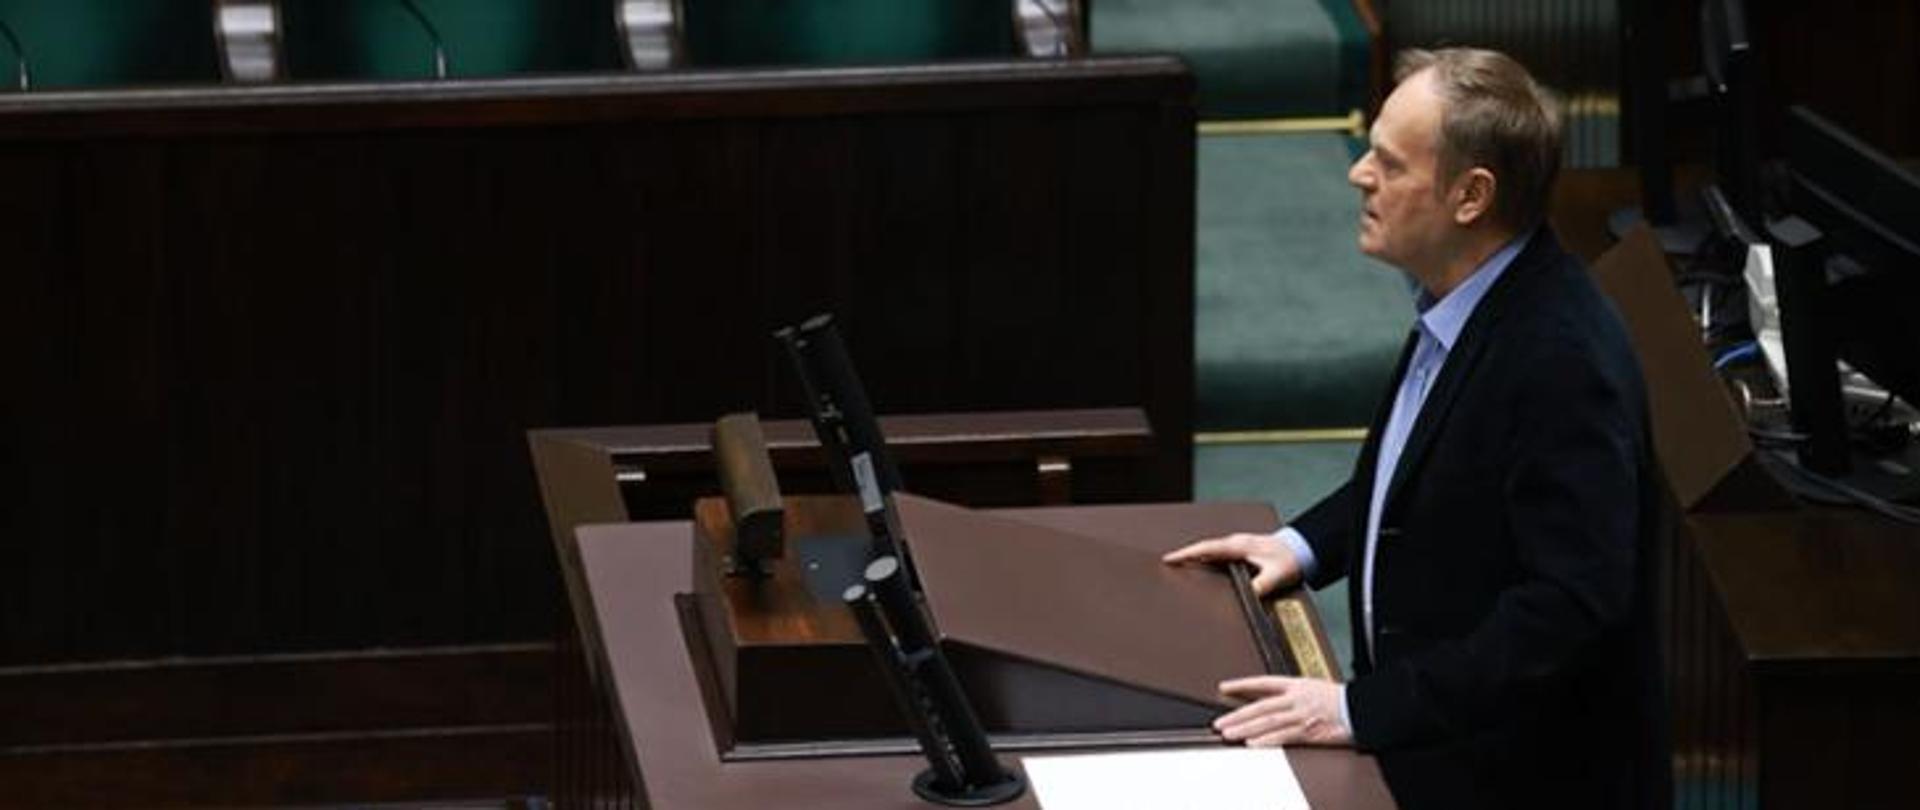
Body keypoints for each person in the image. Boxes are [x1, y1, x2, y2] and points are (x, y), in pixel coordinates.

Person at [1165, 48, 1668, 809]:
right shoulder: (1465, 295)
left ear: (1470, 196)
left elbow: (1569, 610)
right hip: (1449, 754)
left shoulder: (1561, 362)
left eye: (1389, 164)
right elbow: (1421, 473)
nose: (1358, 173)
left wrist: (1355, 709)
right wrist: (1301, 546)